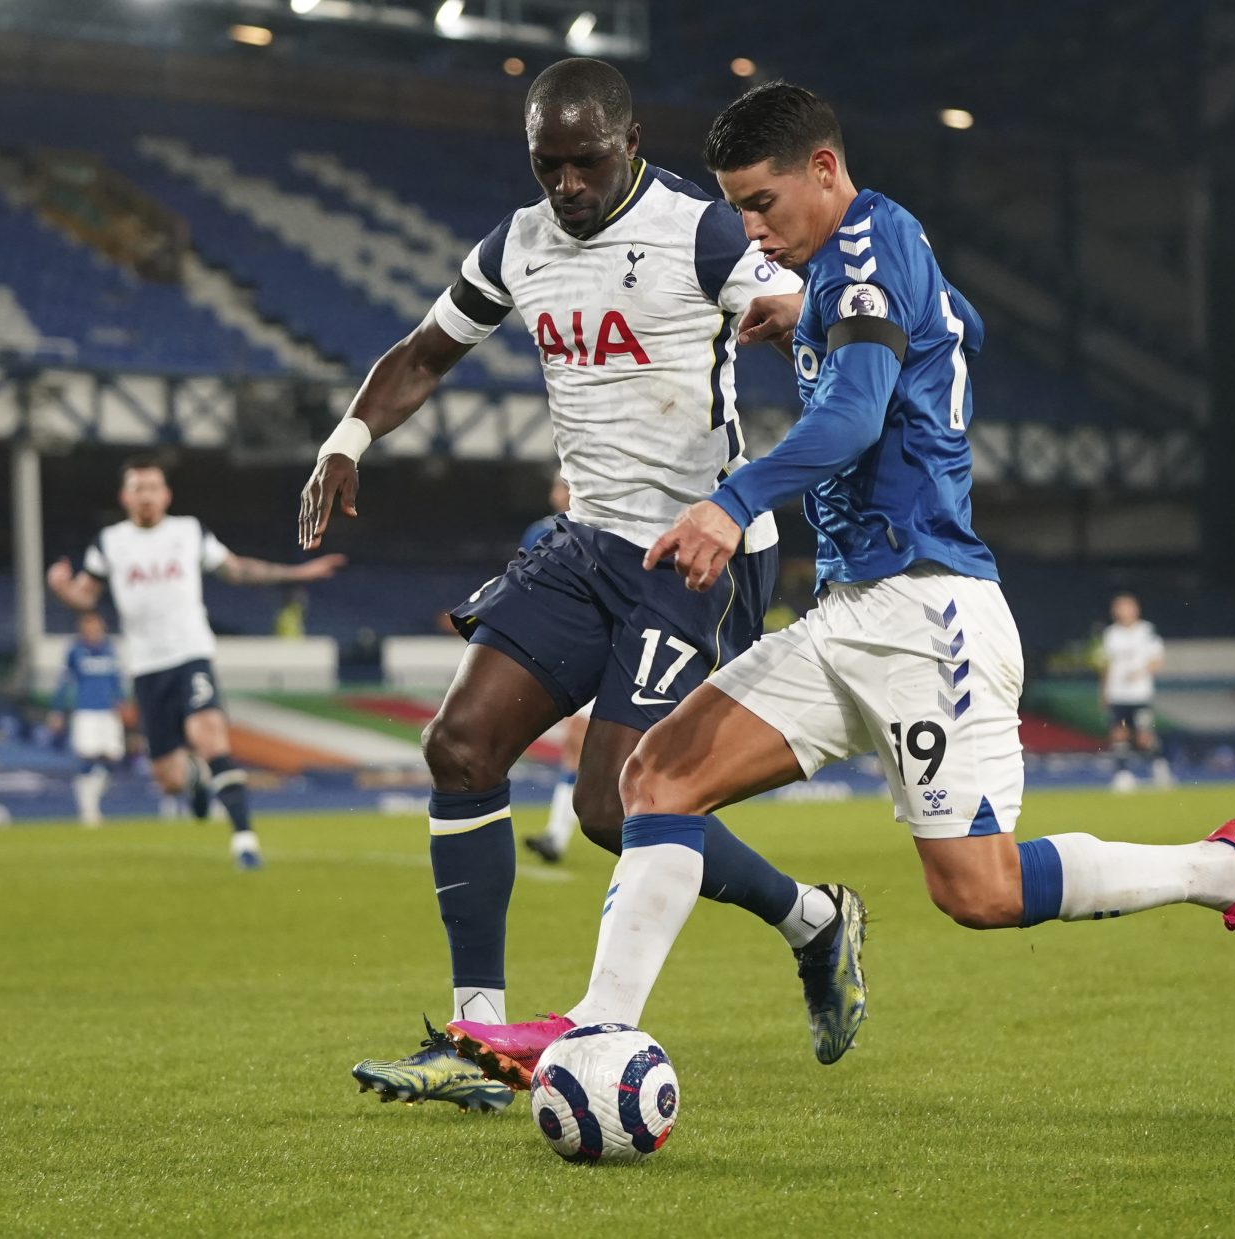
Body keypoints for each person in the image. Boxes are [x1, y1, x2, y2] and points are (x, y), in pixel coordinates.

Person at [446, 81, 1235, 1089]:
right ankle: (596, 1029)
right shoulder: (853, 267)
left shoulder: (867, 246)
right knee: (659, 776)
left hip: (930, 615)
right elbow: (966, 326)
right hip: (851, 613)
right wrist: (810, 312)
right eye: (734, 206)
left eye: (762, 203)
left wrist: (731, 503)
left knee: (978, 891)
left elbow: (857, 417)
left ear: (824, 171)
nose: (748, 228)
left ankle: (1224, 872)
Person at [304, 58, 850, 1114]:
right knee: (458, 748)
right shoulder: (516, 244)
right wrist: (348, 437)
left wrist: (794, 311)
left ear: (631, 140)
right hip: (587, 542)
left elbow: (791, 296)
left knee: (611, 805)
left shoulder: (699, 232)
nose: (566, 184)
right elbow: (425, 351)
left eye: (586, 161)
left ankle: (814, 921)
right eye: (547, 164)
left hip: (698, 550)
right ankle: (476, 1033)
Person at [49, 454, 345, 869]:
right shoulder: (109, 542)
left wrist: (298, 575)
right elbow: (85, 597)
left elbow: (237, 570)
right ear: (125, 496)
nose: (146, 496)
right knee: (169, 780)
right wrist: (62, 589)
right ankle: (195, 782)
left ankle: (244, 840)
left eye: (153, 487)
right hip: (147, 668)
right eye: (138, 489)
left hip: (191, 654)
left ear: (166, 494)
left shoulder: (188, 532)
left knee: (210, 737)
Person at [522, 473, 586, 865]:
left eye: (565, 484)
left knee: (585, 750)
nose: (559, 491)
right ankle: (557, 836)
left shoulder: (603, 529)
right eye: (559, 485)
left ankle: (558, 836)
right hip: (575, 647)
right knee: (578, 750)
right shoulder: (542, 531)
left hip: (604, 647)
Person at [48, 612, 126, 827]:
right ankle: (88, 812)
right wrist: (57, 710)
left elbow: (116, 679)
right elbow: (65, 681)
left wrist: (122, 701)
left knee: (114, 758)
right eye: (89, 627)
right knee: (88, 758)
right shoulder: (76, 651)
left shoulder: (110, 649)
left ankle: (93, 802)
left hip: (108, 713)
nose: (93, 632)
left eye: (97, 627)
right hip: (86, 712)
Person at [1098, 592, 1172, 791]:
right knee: (1118, 734)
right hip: (1117, 695)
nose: (1121, 611)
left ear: (1135, 609)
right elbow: (1106, 665)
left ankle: (1160, 768)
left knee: (1143, 736)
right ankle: (1123, 774)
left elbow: (1157, 660)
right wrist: (1103, 691)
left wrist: (1140, 672)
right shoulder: (1111, 634)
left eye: (1125, 606)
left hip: (1139, 694)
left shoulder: (1147, 631)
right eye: (1118, 607)